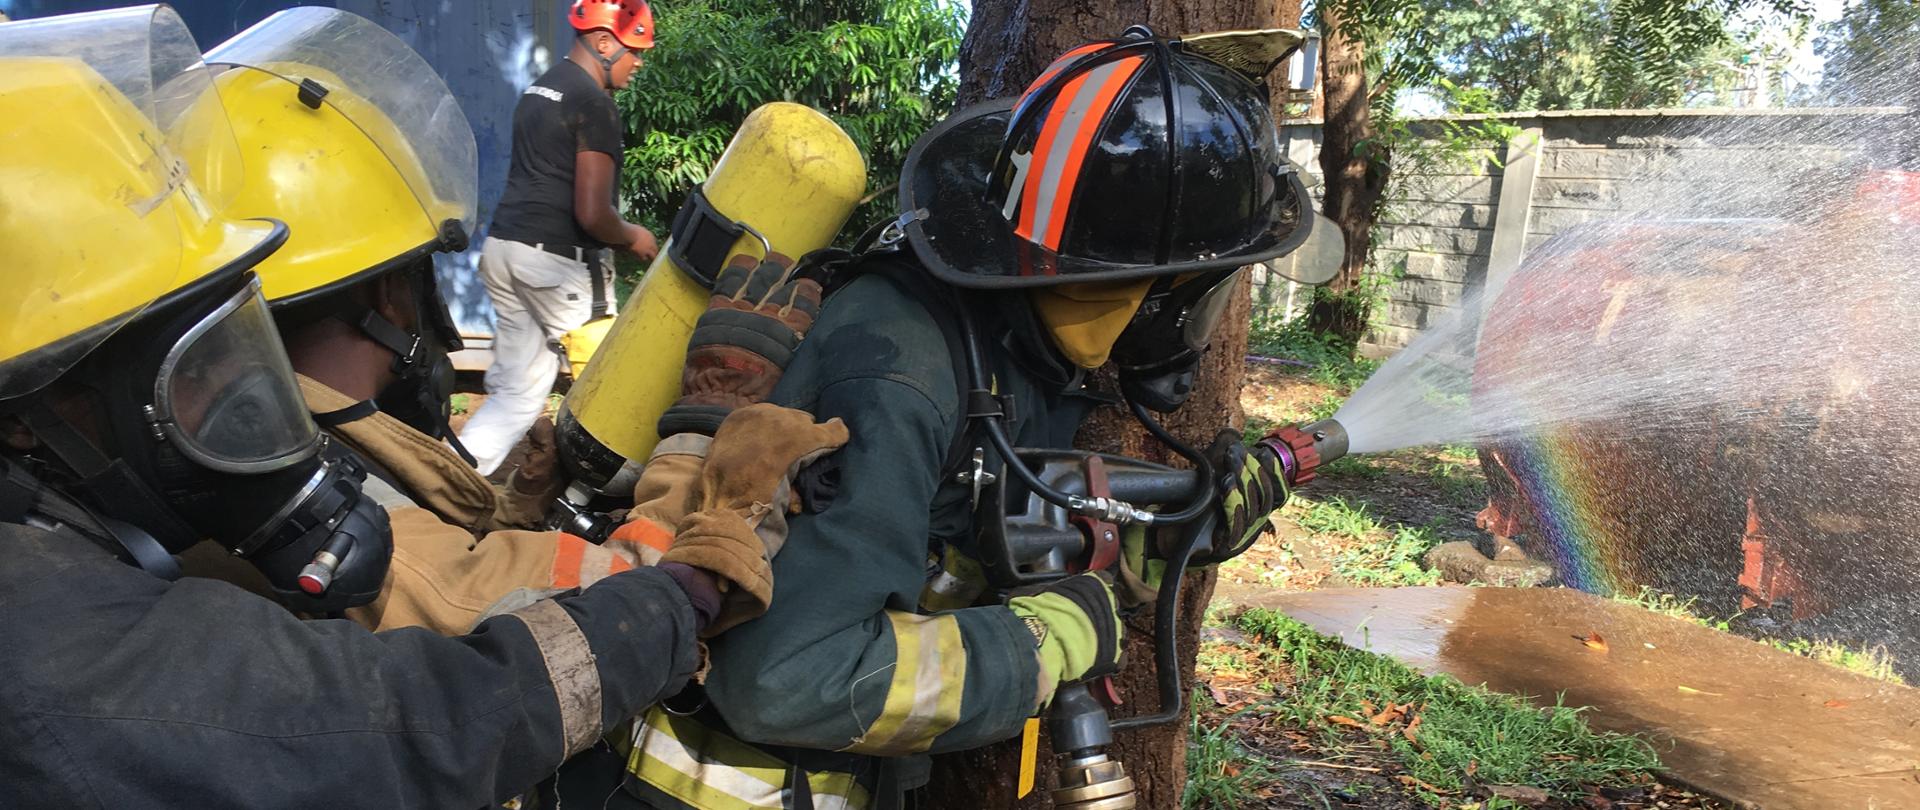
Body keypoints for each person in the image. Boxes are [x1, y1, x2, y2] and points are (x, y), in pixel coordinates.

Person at [0, 9, 840, 807]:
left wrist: (520, 504)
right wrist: (704, 429)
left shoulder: (85, 516)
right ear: (392, 297)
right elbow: (560, 640)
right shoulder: (305, 512)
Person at [577, 28, 1327, 809]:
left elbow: (975, 540)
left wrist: (1156, 541)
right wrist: (1041, 644)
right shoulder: (903, 370)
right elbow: (784, 679)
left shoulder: (1026, 343)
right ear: (1151, 285)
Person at [459, 0, 662, 476]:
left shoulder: (541, 88)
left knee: (519, 391)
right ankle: (623, 490)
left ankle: (449, 482)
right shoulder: (594, 103)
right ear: (605, 42)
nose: (639, 62)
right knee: (613, 377)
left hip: (505, 249)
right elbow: (592, 214)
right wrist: (633, 236)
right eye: (635, 50)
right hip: (556, 263)